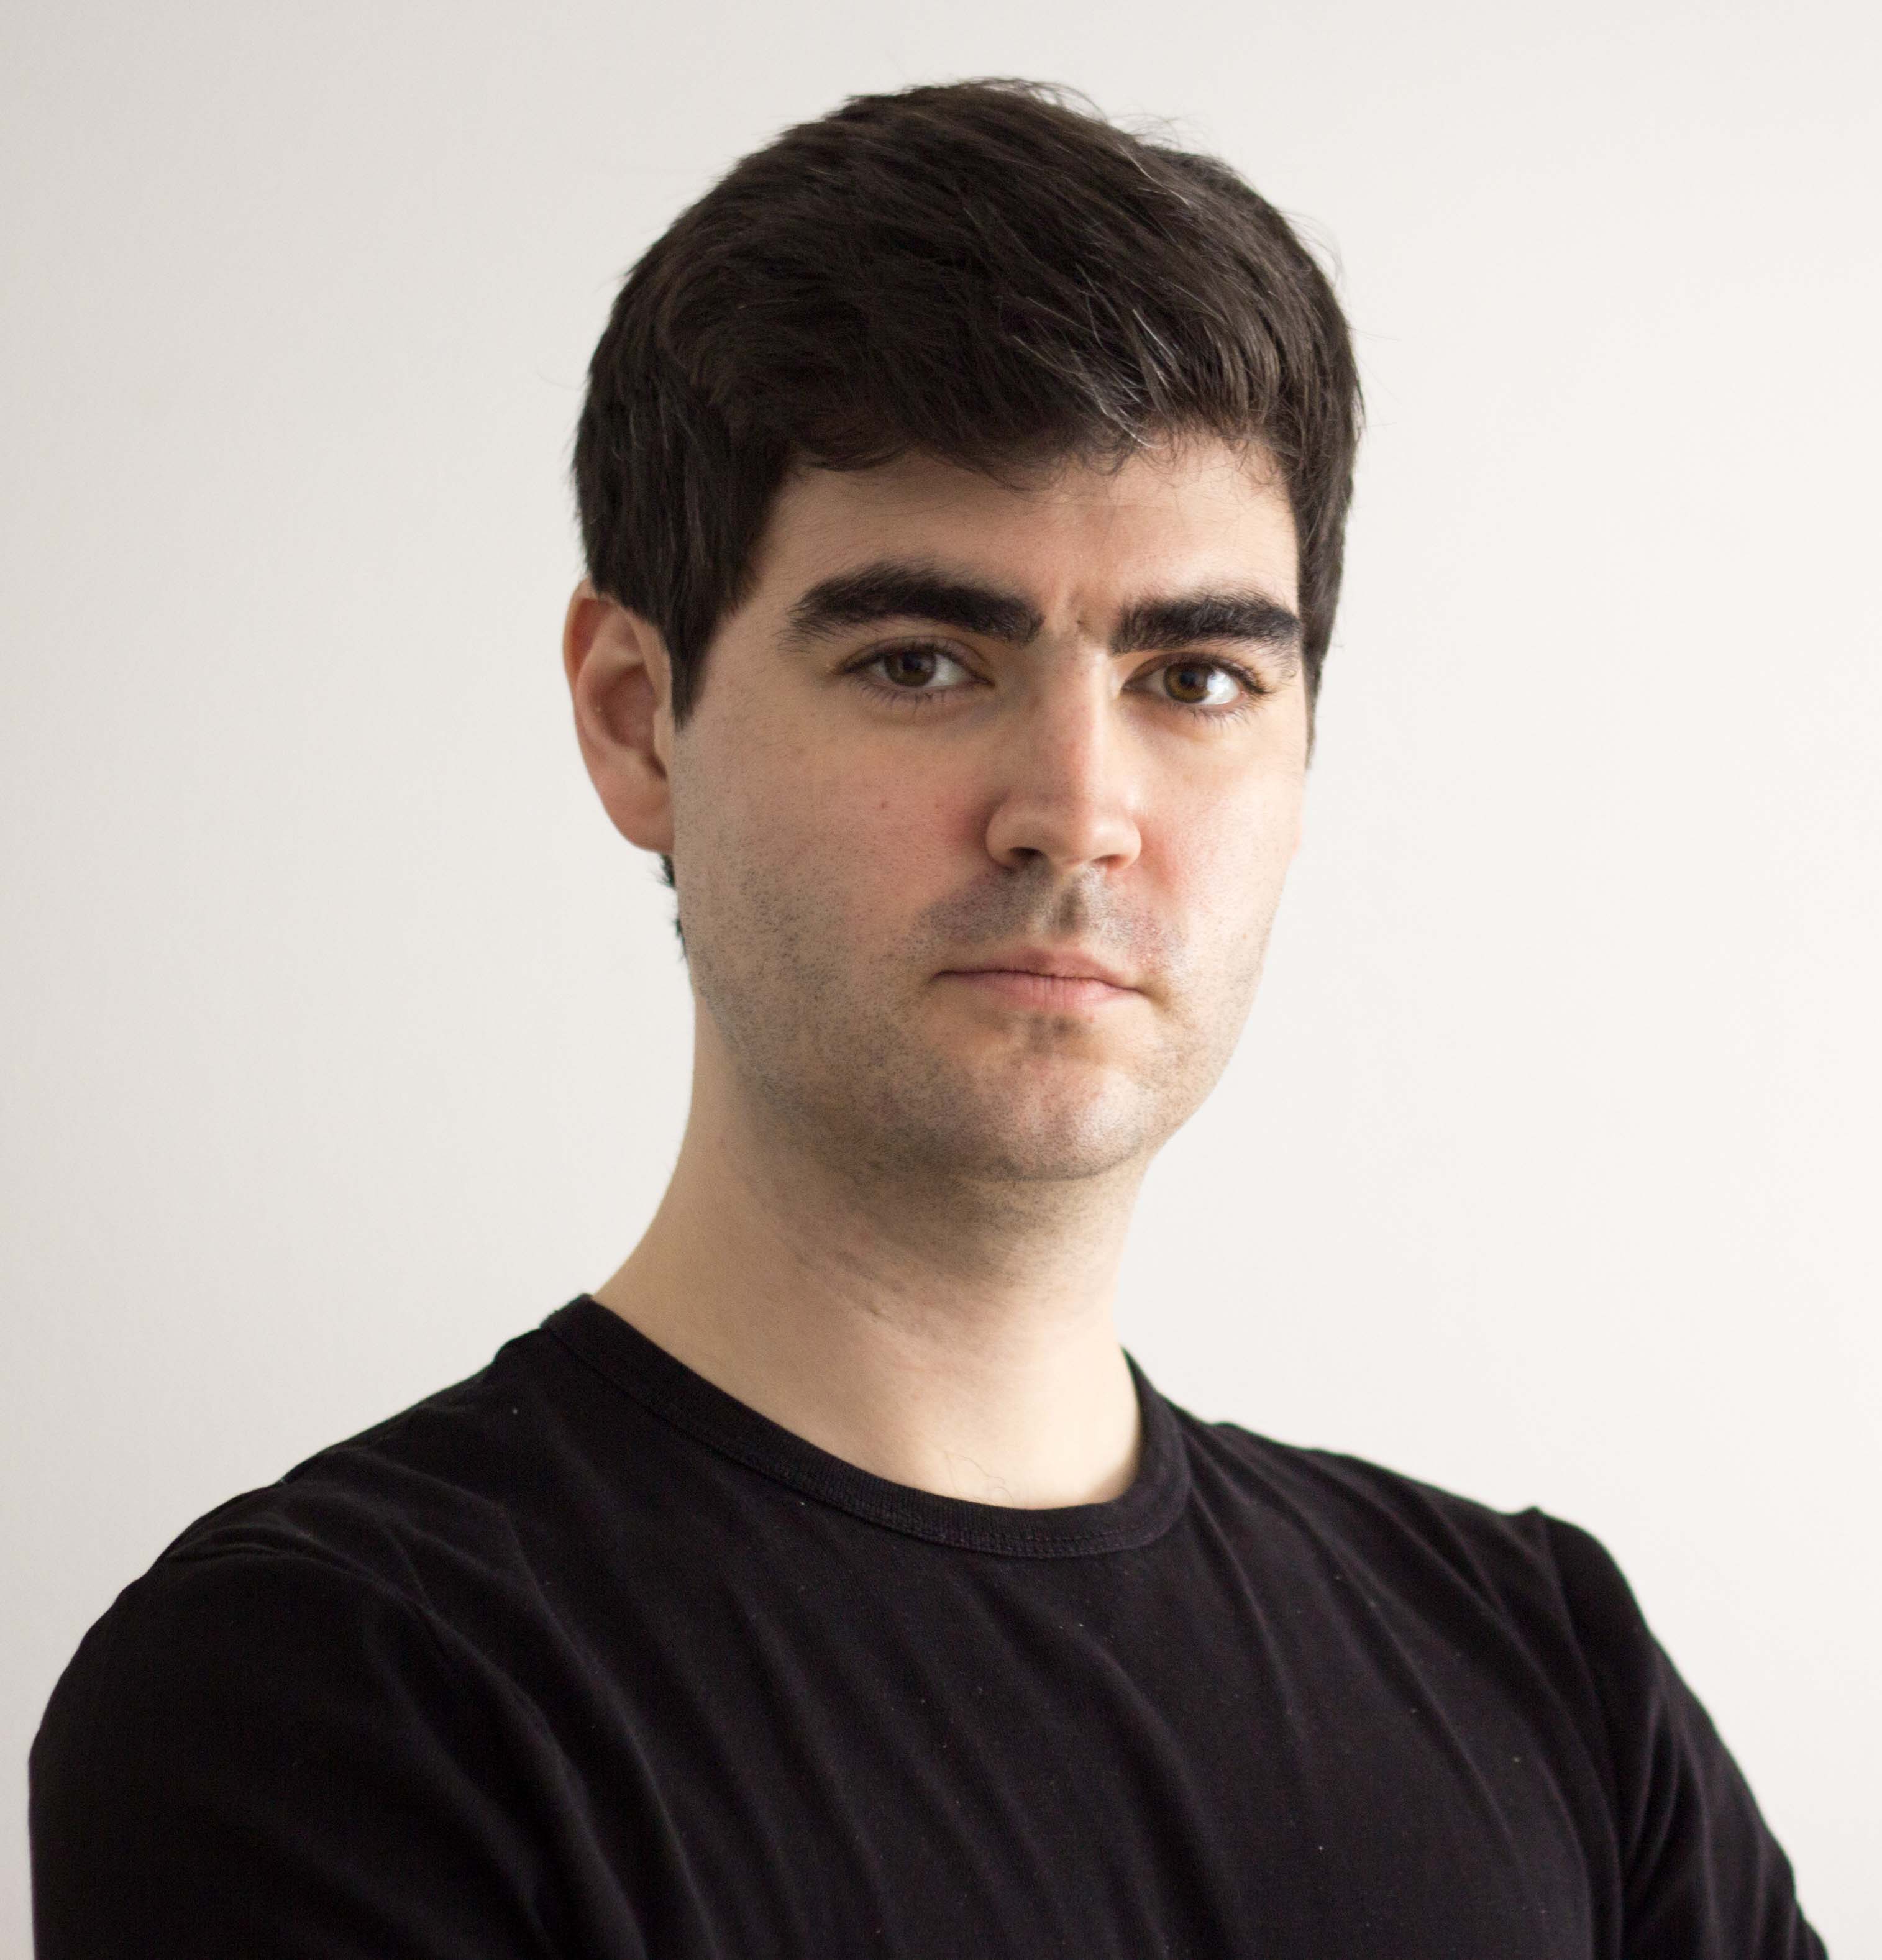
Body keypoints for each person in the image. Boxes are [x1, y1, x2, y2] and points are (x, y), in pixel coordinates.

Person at [29, 77, 1825, 1958]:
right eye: (920, 661)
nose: (1076, 808)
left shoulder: (1548, 1677)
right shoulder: (329, 1697)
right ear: (639, 718)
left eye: (1195, 676)